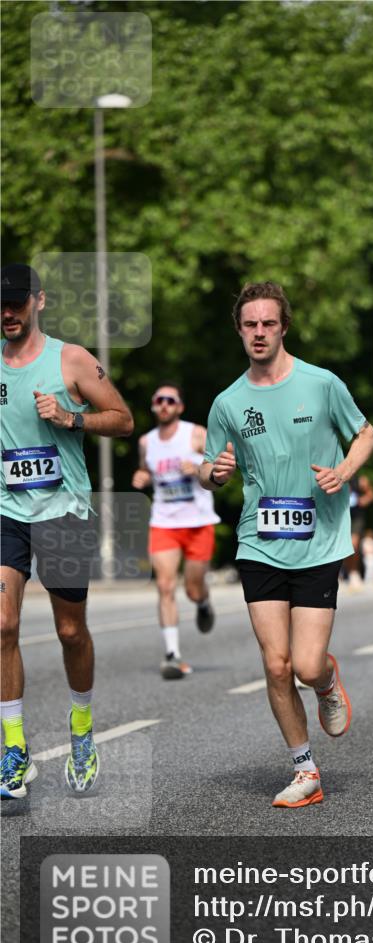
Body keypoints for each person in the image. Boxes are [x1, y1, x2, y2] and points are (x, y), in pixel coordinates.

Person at [199, 282, 373, 808]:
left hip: (319, 541)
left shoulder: (321, 384)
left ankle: (325, 680)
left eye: (268, 324)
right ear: (240, 330)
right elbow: (209, 467)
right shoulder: (228, 402)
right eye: (249, 324)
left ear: (283, 327)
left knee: (304, 663)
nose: (259, 333)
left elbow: (365, 434)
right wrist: (216, 472)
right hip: (259, 541)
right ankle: (305, 771)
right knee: (275, 665)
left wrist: (344, 471)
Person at [0, 263, 133, 798]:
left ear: (39, 301)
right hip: (7, 509)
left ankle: (81, 729)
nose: (8, 313)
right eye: (0, 305)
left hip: (63, 509)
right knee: (2, 625)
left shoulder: (70, 359)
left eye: (16, 302)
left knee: (69, 632)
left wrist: (72, 418)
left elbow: (123, 419)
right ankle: (14, 748)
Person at [132, 383, 220, 679]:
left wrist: (196, 465)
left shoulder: (196, 434)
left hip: (197, 521)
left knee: (193, 588)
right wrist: (142, 476)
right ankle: (172, 654)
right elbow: (145, 469)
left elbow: (219, 468)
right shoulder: (146, 441)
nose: (165, 404)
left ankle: (203, 602)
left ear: (180, 406)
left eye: (170, 400)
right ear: (154, 407)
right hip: (164, 522)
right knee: (165, 586)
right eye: (159, 400)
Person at [343, 472, 373, 588]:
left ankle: (354, 572)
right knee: (345, 546)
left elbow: (371, 494)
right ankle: (347, 571)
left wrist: (363, 500)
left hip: (356, 516)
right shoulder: (334, 476)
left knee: (354, 544)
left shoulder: (360, 480)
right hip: (341, 516)